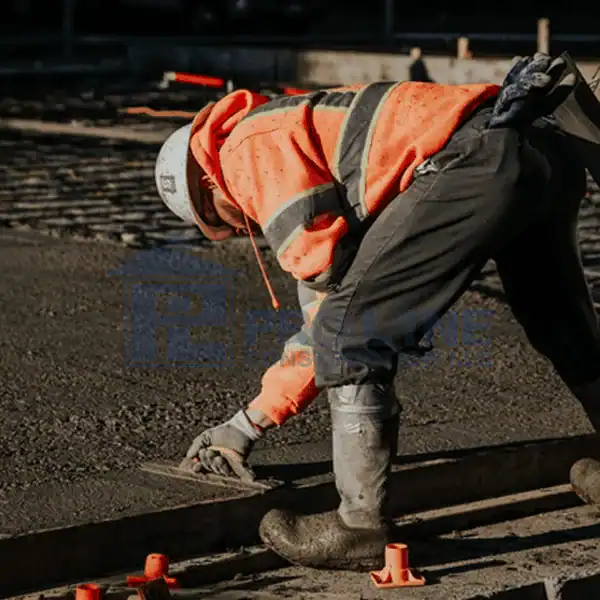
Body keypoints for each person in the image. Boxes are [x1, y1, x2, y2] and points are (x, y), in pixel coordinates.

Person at [154, 52, 600, 571]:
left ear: (207, 189)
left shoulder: (242, 153)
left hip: (478, 158)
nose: (241, 228)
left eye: (227, 223)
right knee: (562, 325)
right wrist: (250, 422)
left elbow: (329, 310)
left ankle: (359, 526)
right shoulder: (293, 125)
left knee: (350, 333)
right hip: (542, 150)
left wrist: (248, 424)